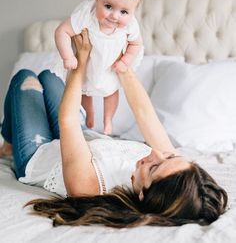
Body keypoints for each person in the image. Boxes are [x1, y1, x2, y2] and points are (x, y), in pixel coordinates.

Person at [0, 30, 227, 228]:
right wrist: (122, 65)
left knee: (25, 77)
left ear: (142, 193)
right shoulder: (172, 172)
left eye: (154, 167)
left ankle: (9, 144)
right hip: (79, 142)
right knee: (49, 77)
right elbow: (145, 114)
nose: (154, 153)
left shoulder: (88, 188)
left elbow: (67, 120)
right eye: (167, 156)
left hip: (40, 155)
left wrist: (81, 59)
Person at [54, 0, 144, 135]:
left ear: (133, 11)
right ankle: (89, 113)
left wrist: (125, 61)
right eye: (108, 6)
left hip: (110, 66)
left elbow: (136, 44)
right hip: (86, 65)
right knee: (83, 91)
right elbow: (62, 32)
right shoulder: (86, 16)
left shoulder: (131, 25)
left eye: (124, 12)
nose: (115, 16)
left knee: (111, 92)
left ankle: (108, 120)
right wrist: (67, 57)